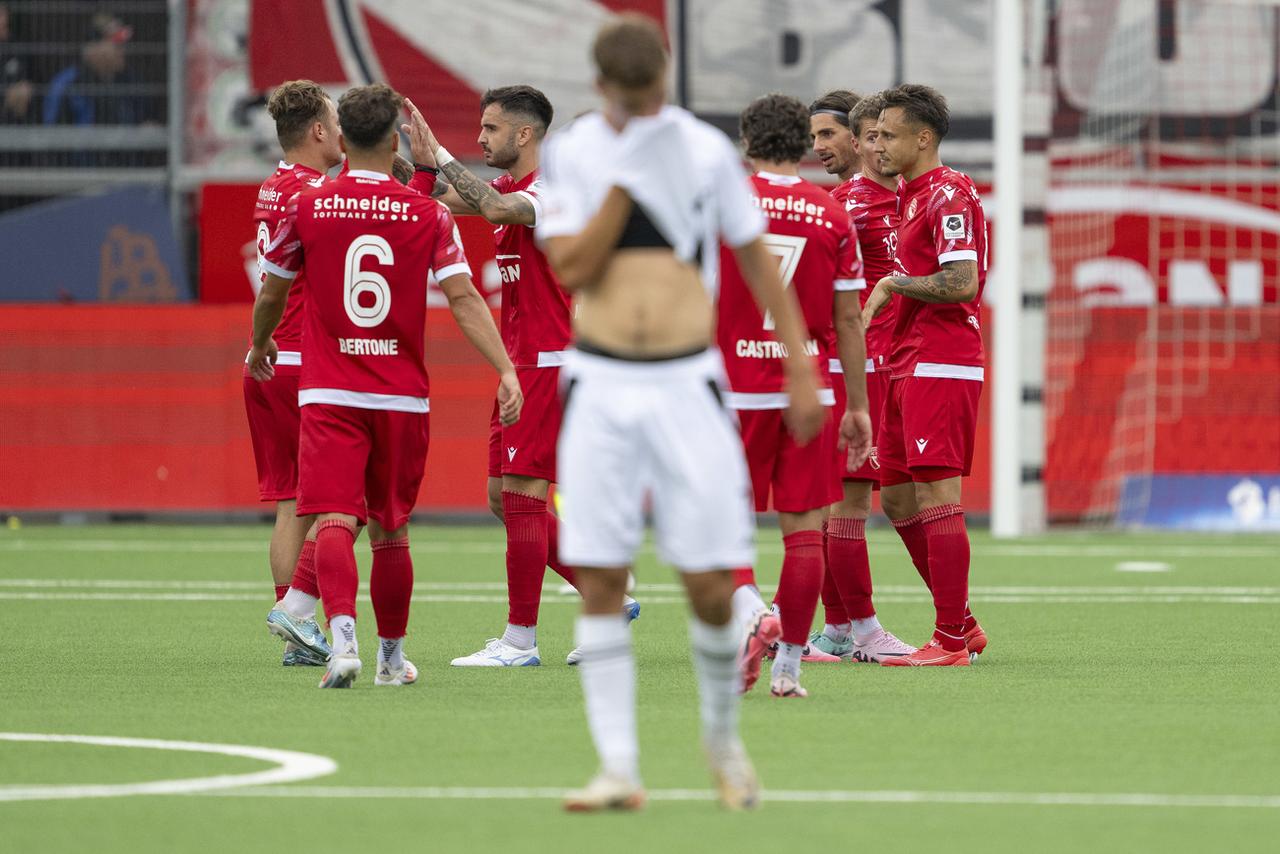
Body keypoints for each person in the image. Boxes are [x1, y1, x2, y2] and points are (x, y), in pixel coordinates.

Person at [537, 14, 824, 811]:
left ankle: (723, 743)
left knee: (706, 582)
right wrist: (628, 179)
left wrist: (801, 366)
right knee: (598, 574)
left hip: (689, 383)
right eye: (633, 98)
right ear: (603, 91)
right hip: (597, 381)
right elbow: (570, 267)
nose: (649, 106)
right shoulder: (576, 154)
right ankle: (619, 767)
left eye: (656, 90)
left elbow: (755, 257)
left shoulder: (704, 152)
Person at [251, 83, 523, 688]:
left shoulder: (309, 204)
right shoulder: (426, 213)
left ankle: (340, 640)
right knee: (391, 529)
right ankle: (390, 660)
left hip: (329, 392)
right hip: (399, 394)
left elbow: (272, 290)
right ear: (395, 139)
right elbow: (463, 297)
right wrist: (504, 367)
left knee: (331, 521)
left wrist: (262, 341)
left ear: (341, 139)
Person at [401, 86, 639, 668]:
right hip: (521, 362)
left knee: (525, 493)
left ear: (525, 134)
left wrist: (443, 154)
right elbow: (435, 198)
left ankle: (520, 640)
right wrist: (394, 152)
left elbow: (497, 211)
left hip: (550, 361)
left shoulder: (555, 189)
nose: (481, 139)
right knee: (502, 498)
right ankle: (606, 593)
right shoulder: (509, 186)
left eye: (490, 128)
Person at [718, 94, 872, 699]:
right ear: (803, 146)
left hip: (736, 389)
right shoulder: (832, 214)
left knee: (722, 524)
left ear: (748, 143)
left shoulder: (724, 203)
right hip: (811, 389)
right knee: (805, 529)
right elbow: (849, 319)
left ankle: (753, 613)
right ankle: (788, 670)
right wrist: (856, 405)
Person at [862, 83, 989, 666]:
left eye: (888, 134)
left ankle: (950, 641)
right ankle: (961, 622)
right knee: (897, 498)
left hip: (941, 358)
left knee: (938, 495)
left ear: (923, 137)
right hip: (902, 359)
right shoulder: (910, 196)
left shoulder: (949, 193)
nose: (878, 144)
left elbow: (962, 282)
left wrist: (891, 283)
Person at [807, 91, 917, 663]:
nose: (818, 147)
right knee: (846, 504)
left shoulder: (906, 197)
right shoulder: (843, 205)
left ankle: (839, 628)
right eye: (814, 136)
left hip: (891, 366)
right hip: (860, 368)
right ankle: (861, 630)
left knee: (848, 503)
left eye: (827, 135)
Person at [245, 80, 344, 668]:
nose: (340, 131)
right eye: (334, 121)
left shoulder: (272, 185)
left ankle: (296, 625)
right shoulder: (317, 194)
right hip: (307, 363)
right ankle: (305, 619)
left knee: (290, 501)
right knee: (326, 501)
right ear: (317, 132)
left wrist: (258, 346)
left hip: (268, 361)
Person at [42, 13, 150, 126]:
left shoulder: (130, 81)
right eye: (117, 44)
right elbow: (54, 133)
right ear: (94, 47)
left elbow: (145, 121)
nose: (123, 50)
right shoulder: (67, 83)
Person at [808, 90, 860, 184]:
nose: (816, 147)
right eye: (813, 137)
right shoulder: (828, 197)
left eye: (827, 134)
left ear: (857, 132)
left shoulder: (892, 195)